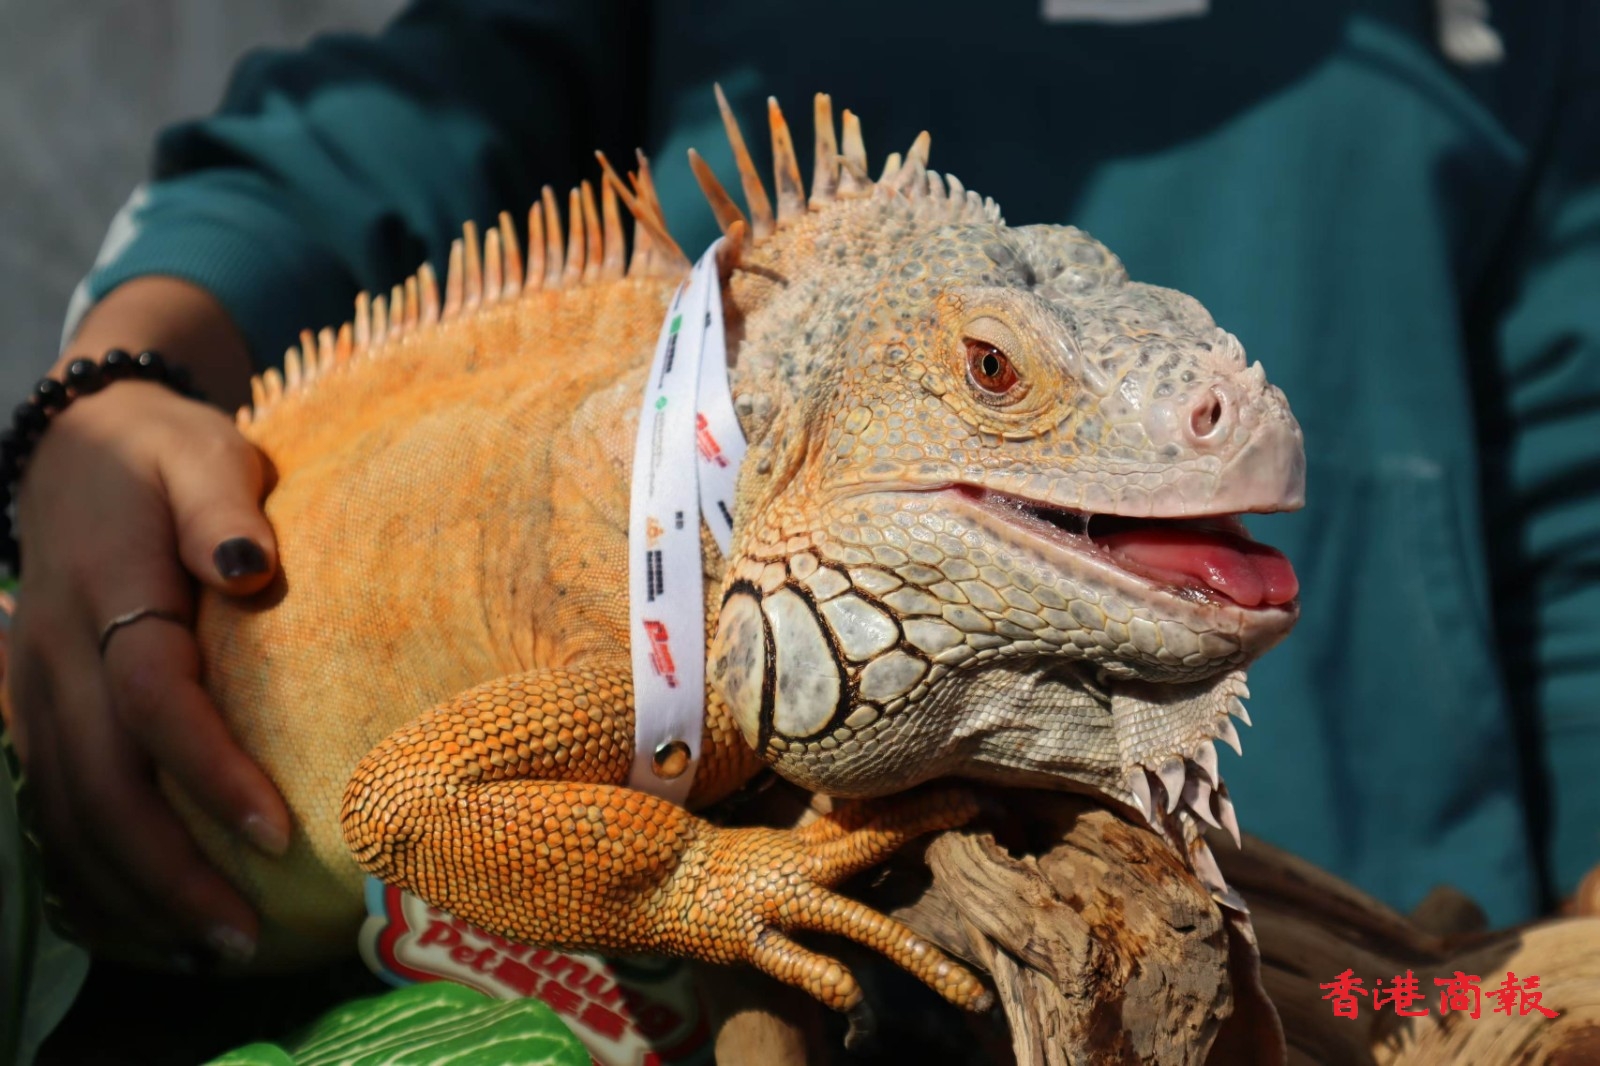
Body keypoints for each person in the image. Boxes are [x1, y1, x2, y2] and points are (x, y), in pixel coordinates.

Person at [10, 0, 1600, 973]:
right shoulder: (672, 649)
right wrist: (111, 395)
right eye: (991, 376)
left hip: (1391, 938)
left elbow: (1581, 521)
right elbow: (358, 138)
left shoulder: (1519, 42)